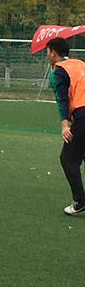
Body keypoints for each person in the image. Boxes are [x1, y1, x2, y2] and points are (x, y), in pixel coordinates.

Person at [45, 36, 85, 216]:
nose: (47, 55)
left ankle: (80, 201)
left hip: (83, 116)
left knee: (67, 159)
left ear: (53, 53)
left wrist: (64, 126)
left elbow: (62, 99)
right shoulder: (80, 64)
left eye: (47, 52)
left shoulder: (58, 71)